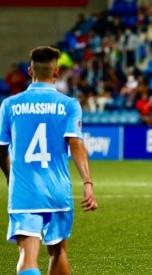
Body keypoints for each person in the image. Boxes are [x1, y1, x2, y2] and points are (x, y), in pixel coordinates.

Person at [0, 46, 98, 275]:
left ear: (29, 70)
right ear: (56, 73)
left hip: (24, 190)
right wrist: (87, 183)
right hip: (57, 189)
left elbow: (1, 149)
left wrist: (9, 175)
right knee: (58, 250)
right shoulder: (69, 104)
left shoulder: (10, 105)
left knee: (27, 253)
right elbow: (76, 144)